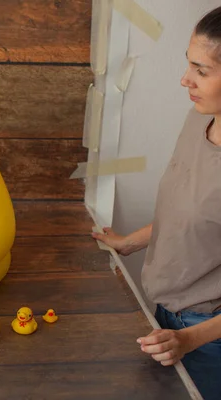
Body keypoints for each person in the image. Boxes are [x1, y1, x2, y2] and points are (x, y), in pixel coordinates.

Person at [92, 7, 221, 399]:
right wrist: (132, 241)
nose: (185, 80)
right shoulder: (200, 118)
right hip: (163, 313)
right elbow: (186, 210)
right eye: (189, 65)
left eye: (201, 71)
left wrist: (188, 339)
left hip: (205, 337)